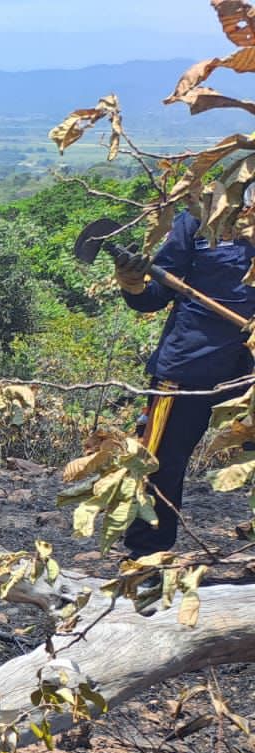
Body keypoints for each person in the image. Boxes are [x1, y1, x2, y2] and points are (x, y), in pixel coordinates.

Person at [114, 210, 255, 555]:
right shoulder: (201, 215)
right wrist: (132, 282)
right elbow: (154, 296)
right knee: (158, 463)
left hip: (250, 368)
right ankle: (147, 557)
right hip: (187, 365)